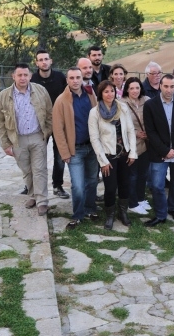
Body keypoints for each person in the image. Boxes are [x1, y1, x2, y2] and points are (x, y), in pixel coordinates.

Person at [0, 63, 53, 216]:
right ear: (13, 76)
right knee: (27, 171)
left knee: (39, 170)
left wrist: (46, 133)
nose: (22, 78)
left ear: (30, 76)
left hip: (37, 136)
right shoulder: (4, 96)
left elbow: (49, 114)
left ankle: (42, 201)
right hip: (17, 139)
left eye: (25, 75)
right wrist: (5, 144)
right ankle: (33, 196)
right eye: (19, 75)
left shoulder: (41, 91)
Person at [143, 74, 174, 227]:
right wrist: (165, 151)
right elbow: (150, 131)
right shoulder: (150, 105)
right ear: (160, 86)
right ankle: (160, 214)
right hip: (159, 153)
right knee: (157, 185)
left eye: (172, 86)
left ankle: (173, 207)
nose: (169, 90)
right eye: (166, 86)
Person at [52, 67, 99, 229]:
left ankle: (90, 209)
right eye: (71, 78)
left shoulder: (91, 95)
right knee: (78, 185)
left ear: (82, 78)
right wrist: (64, 152)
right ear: (67, 80)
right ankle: (78, 215)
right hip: (75, 150)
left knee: (92, 181)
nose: (75, 80)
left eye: (78, 77)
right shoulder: (61, 101)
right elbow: (57, 130)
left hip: (92, 147)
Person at [89, 80, 137, 229]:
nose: (110, 94)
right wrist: (102, 161)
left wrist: (133, 152)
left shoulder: (122, 107)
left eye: (112, 91)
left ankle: (122, 212)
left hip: (124, 153)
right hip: (108, 156)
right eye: (106, 91)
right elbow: (94, 138)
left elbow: (130, 130)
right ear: (101, 94)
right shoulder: (95, 113)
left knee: (125, 185)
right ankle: (110, 214)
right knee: (110, 188)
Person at [30, 49, 69, 200]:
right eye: (40, 60)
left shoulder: (60, 77)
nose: (44, 62)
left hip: (59, 122)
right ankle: (33, 186)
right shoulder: (32, 79)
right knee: (37, 156)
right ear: (37, 63)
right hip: (40, 124)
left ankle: (57, 186)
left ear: (51, 61)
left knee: (60, 156)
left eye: (46, 59)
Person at [121, 77, 151, 215]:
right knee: (132, 175)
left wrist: (148, 132)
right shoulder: (122, 103)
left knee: (143, 174)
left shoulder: (147, 101)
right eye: (131, 88)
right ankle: (132, 203)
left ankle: (140, 199)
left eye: (137, 88)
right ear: (127, 89)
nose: (134, 91)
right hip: (131, 145)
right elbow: (120, 125)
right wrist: (135, 133)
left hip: (146, 144)